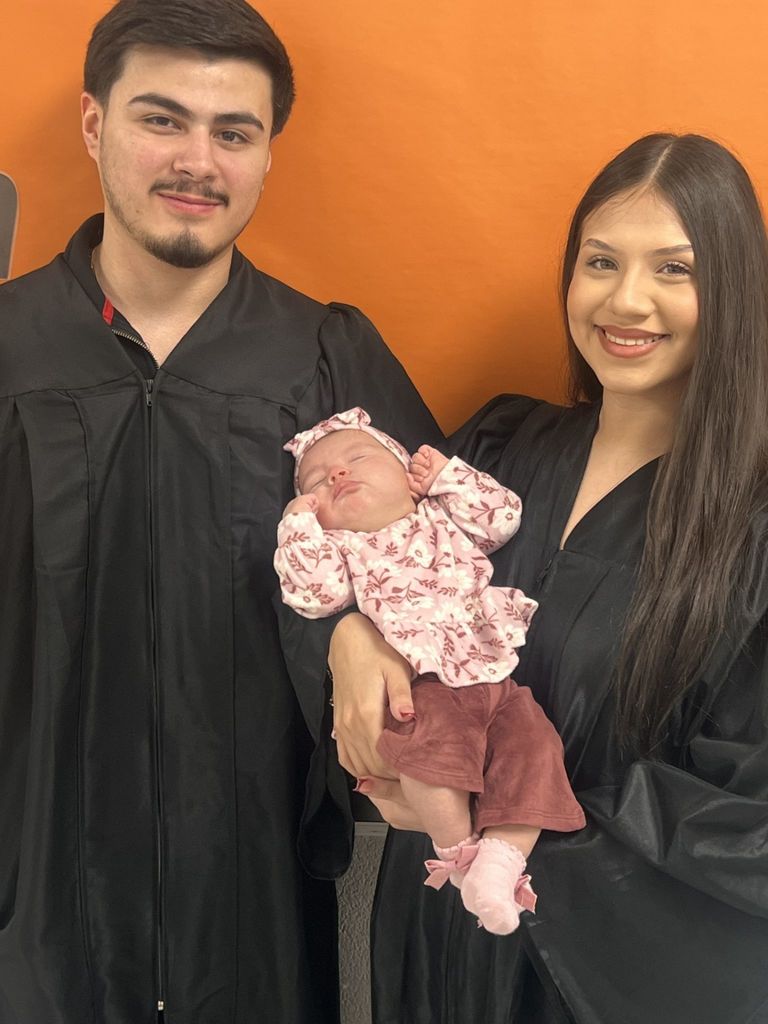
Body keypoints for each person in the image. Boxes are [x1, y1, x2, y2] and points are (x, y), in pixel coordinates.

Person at [0, 2, 440, 1022]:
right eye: (161, 119)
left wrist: (360, 626)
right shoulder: (11, 349)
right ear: (91, 121)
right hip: (31, 883)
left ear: (265, 154)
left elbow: (444, 581)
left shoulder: (325, 359)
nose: (197, 159)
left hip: (254, 894)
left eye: (233, 132)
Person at [328, 134, 768, 1023]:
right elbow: (380, 570)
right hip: (440, 933)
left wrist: (511, 817)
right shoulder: (500, 448)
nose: (626, 299)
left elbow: (747, 814)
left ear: (736, 292)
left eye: (675, 270)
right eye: (600, 261)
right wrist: (347, 633)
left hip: (611, 965)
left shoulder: (751, 522)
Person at [273, 406, 585, 934]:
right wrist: (299, 526)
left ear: (409, 478)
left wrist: (447, 476)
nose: (338, 475)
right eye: (316, 483)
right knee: (432, 758)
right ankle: (459, 854)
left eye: (358, 457)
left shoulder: (442, 517)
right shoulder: (344, 551)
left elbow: (502, 517)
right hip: (425, 683)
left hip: (493, 675)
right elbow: (312, 596)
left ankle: (501, 863)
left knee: (536, 747)